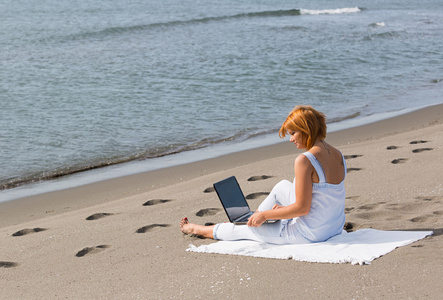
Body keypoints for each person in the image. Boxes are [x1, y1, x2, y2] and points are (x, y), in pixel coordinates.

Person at [180, 105, 347, 244]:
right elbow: (324, 195)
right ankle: (253, 218)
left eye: (293, 133)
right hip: (333, 226)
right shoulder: (337, 153)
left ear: (306, 129)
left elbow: (302, 208)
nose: (291, 139)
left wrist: (267, 214)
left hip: (311, 234)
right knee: (282, 186)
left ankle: (198, 228)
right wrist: (269, 213)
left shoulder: (305, 160)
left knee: (243, 231)